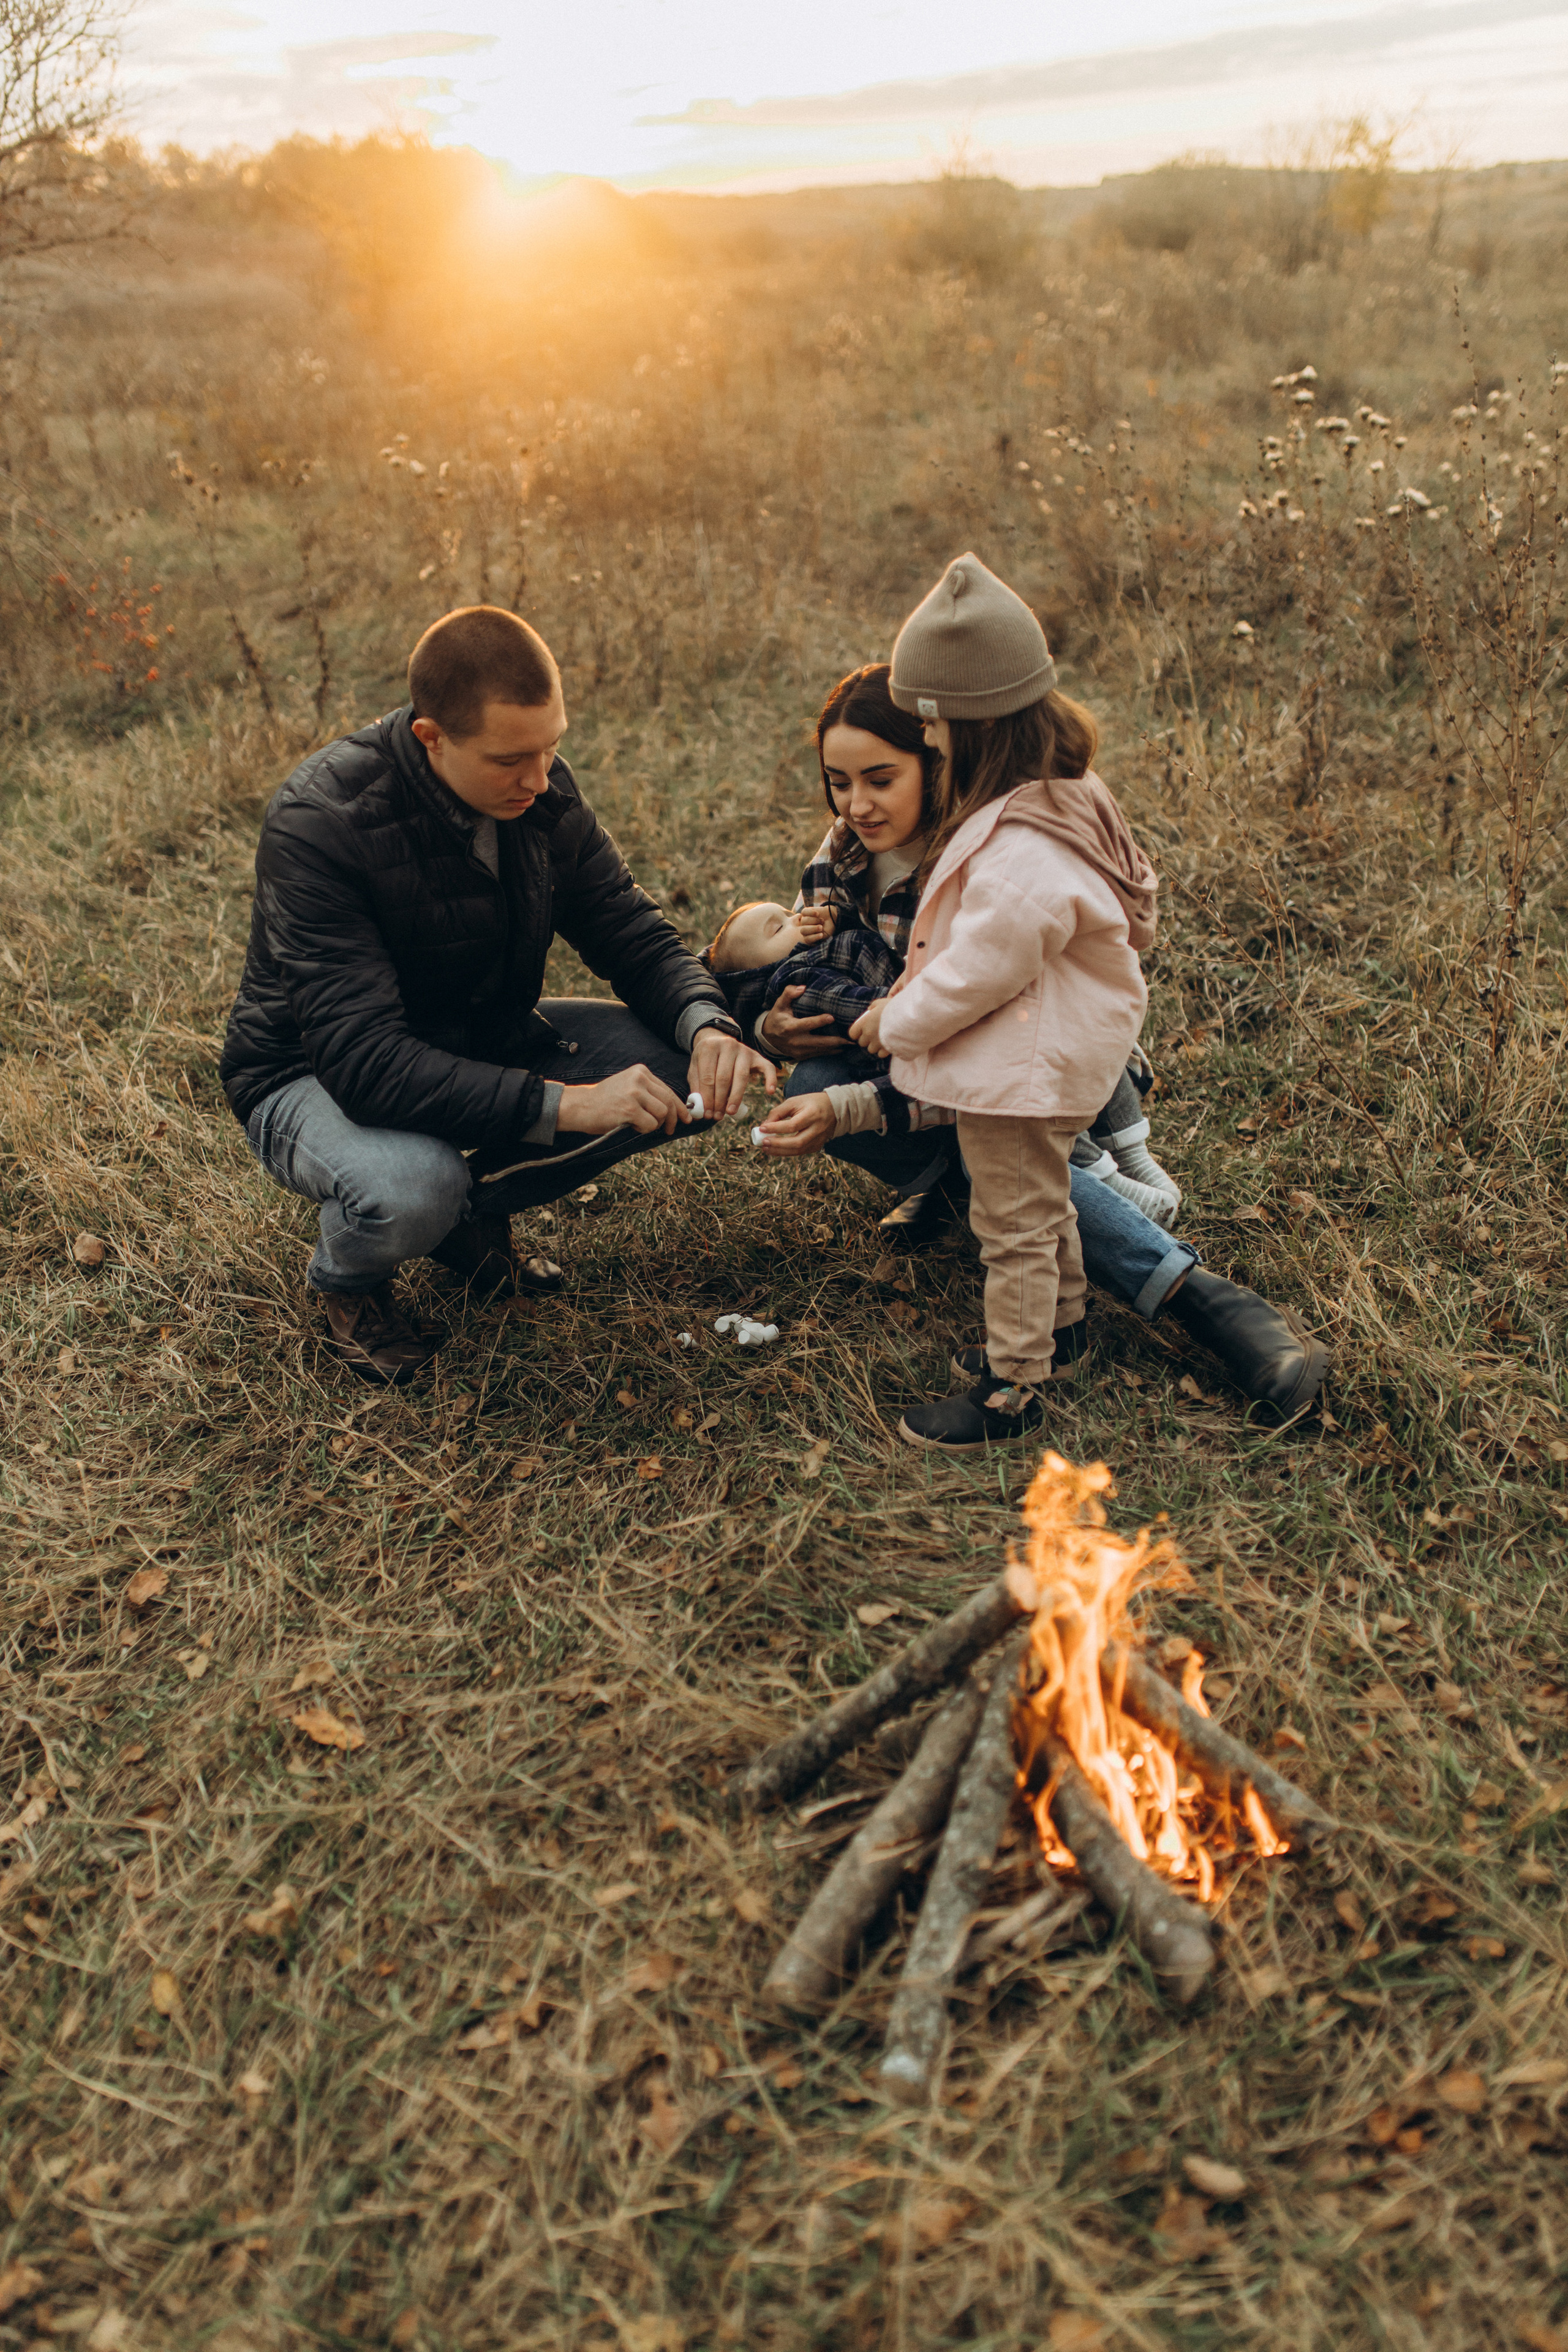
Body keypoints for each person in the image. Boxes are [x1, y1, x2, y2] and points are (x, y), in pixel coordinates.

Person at [757, 652, 1329, 1432]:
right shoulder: (846, 852)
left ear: (940, 757)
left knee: (1010, 1182)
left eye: (880, 779)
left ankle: (1192, 1300)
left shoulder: (993, 862)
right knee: (830, 1093)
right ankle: (1035, 1294)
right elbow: (799, 959)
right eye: (838, 781)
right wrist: (771, 1025)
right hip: (927, 1055)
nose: (856, 804)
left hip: (1029, 1065)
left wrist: (854, 1103)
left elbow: (977, 1041)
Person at [220, 605, 773, 1386]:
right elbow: (363, 1062)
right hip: (306, 1072)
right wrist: (565, 1104)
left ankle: (464, 1224)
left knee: (686, 1068)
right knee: (414, 1187)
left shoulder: (539, 790)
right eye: (512, 758)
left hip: (475, 1034)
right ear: (431, 737)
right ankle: (352, 1282)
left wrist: (708, 1023)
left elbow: (625, 926)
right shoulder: (320, 824)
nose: (540, 779)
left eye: (551, 747)